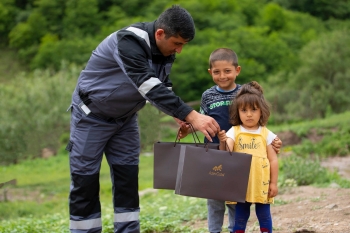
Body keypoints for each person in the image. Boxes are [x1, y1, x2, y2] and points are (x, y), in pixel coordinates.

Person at [66, 5, 220, 233]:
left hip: (125, 120)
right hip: (91, 117)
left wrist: (177, 116)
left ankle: (128, 230)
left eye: (183, 45)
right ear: (160, 34)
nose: (179, 51)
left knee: (127, 178)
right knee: (85, 181)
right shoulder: (128, 42)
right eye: (177, 43)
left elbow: (163, 84)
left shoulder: (165, 51)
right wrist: (191, 114)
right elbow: (147, 85)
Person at [178, 49, 281, 233]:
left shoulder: (244, 93)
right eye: (217, 72)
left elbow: (258, 122)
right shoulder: (207, 95)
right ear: (210, 72)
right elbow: (200, 120)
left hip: (238, 155)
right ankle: (214, 230)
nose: (222, 76)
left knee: (235, 198)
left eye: (227, 71)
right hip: (213, 152)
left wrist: (272, 142)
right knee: (214, 198)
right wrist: (188, 130)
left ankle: (235, 229)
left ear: (237, 70)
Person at [217, 81, 279, 233]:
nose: (249, 114)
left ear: (261, 111)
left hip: (261, 184)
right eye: (244, 110)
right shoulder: (234, 131)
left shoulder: (265, 133)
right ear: (238, 112)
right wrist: (223, 140)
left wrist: (273, 183)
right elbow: (227, 152)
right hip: (241, 185)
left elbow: (273, 160)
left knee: (264, 215)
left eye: (253, 110)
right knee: (240, 216)